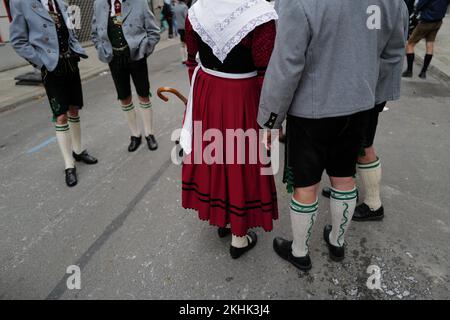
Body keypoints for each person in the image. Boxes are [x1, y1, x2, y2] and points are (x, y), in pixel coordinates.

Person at [258, 0, 408, 271]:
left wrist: (270, 119)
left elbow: (287, 64)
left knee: (306, 185)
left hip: (311, 110)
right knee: (344, 177)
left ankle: (300, 251)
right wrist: (370, 91)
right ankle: (337, 242)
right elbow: (393, 50)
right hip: (359, 104)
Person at [181, 0, 279, 259]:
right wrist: (269, 119)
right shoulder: (261, 15)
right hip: (242, 95)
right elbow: (265, 72)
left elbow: (191, 60)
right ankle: (238, 236)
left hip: (207, 90)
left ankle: (223, 219)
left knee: (216, 157)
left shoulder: (197, 11)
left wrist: (199, 94)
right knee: (239, 161)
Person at [9, 0, 98, 187]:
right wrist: (41, 62)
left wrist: (75, 49)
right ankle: (69, 165)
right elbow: (18, 41)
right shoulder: (21, 3)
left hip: (70, 63)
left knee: (74, 110)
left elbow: (69, 30)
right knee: (61, 116)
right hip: (50, 67)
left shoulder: (60, 3)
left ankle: (78, 151)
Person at [91, 0, 161, 152]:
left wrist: (144, 50)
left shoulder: (139, 2)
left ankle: (149, 133)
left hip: (136, 56)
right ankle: (135, 135)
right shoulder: (98, 3)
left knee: (143, 94)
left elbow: (154, 31)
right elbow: (95, 33)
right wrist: (101, 49)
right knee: (124, 97)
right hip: (114, 58)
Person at [403, 0, 450, 79]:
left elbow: (420, 5)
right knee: (430, 45)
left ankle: (409, 70)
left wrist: (417, 10)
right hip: (438, 21)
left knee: (410, 44)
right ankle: (423, 72)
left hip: (426, 20)